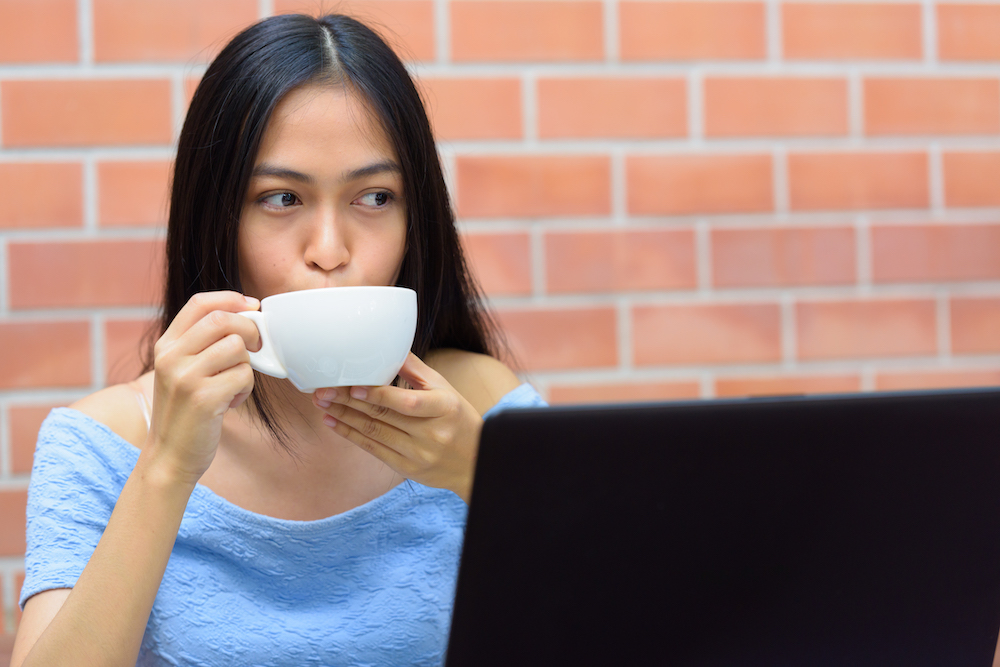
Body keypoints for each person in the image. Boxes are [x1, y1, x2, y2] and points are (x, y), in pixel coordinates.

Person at [11, 13, 545, 667]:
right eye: (282, 199)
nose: (329, 250)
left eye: (375, 197)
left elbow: (626, 626)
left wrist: (482, 477)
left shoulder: (483, 408)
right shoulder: (102, 443)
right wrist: (168, 466)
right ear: (218, 219)